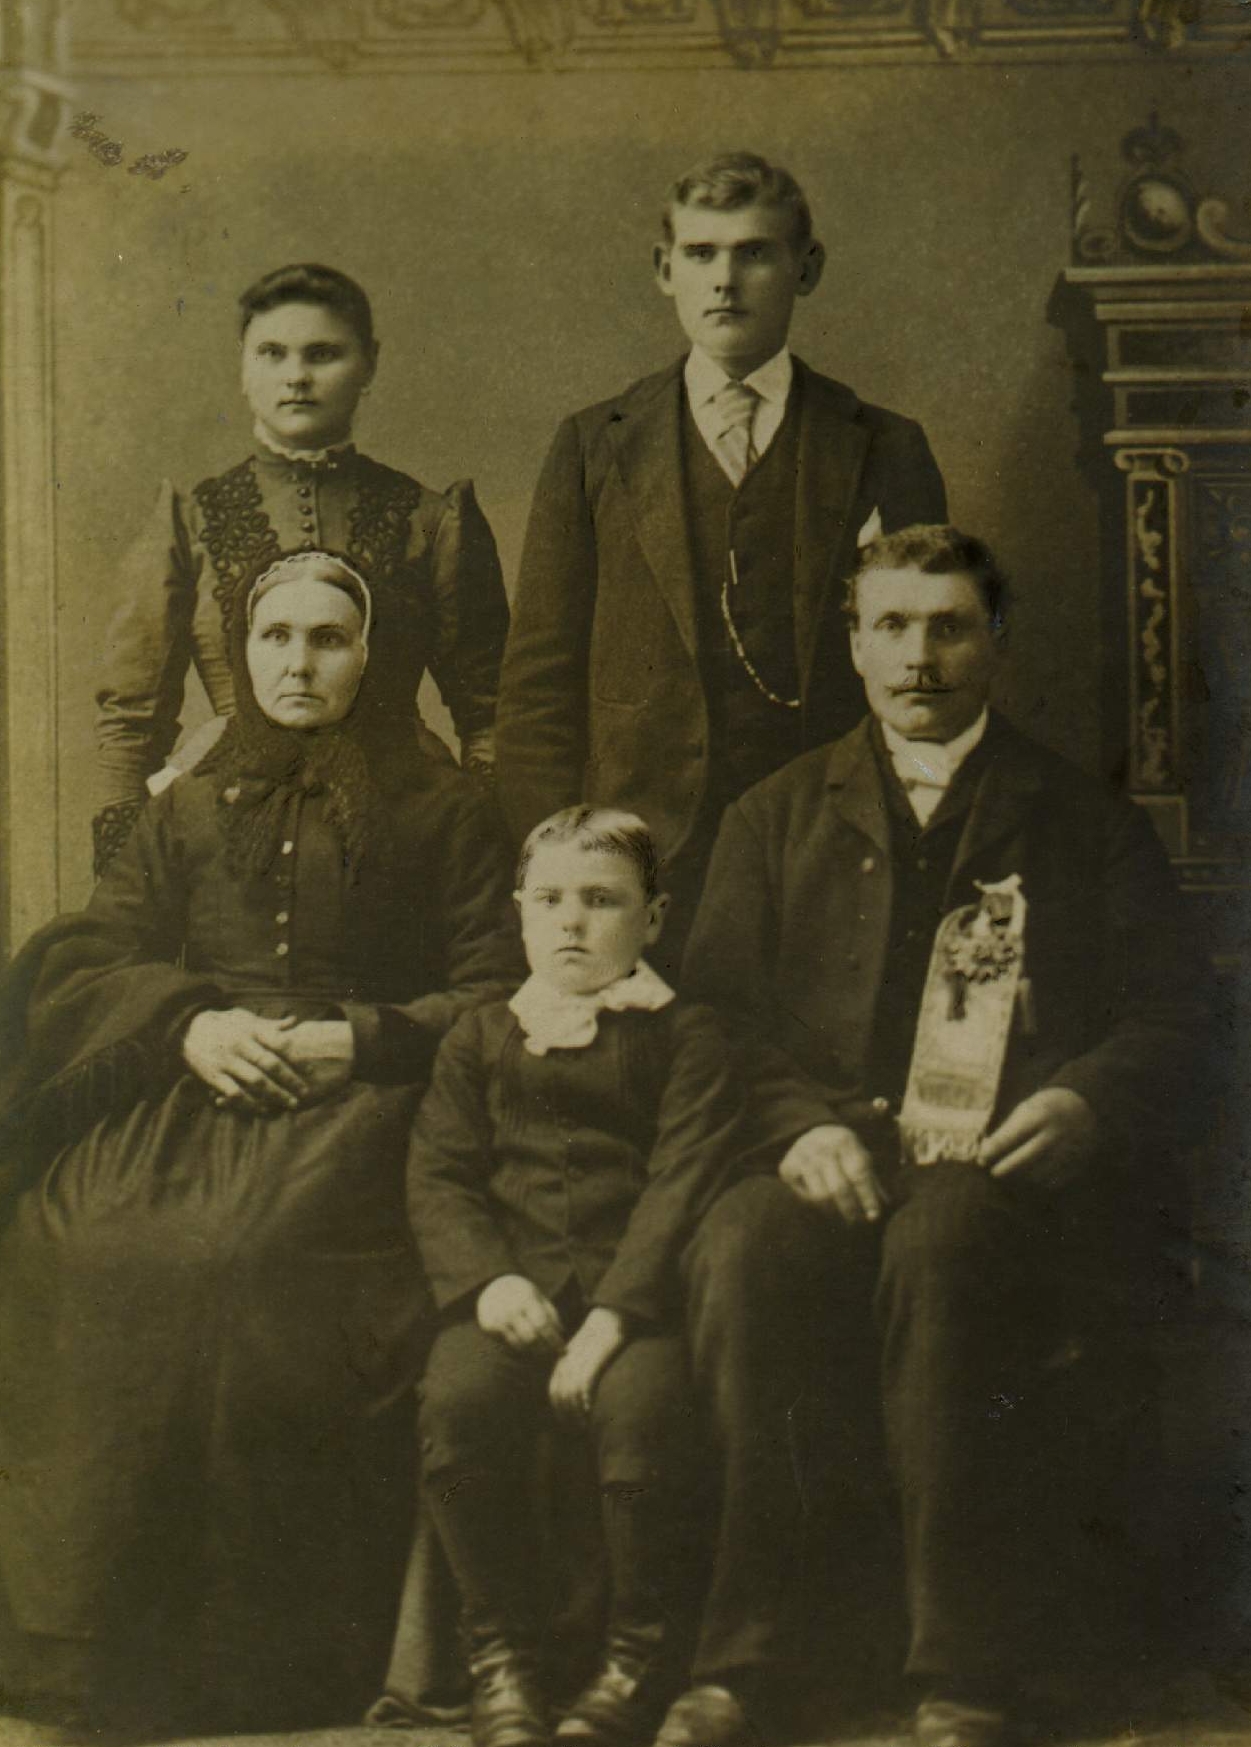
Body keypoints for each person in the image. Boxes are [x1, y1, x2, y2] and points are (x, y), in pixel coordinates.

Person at [668, 525, 1213, 1747]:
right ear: (856, 646)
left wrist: (1084, 1098)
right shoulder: (773, 815)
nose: (922, 656)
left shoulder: (1080, 819)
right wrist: (796, 1124)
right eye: (895, 628)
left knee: (947, 1248)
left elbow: (1178, 1013)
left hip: (1004, 1177)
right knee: (744, 1247)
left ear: (996, 644)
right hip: (827, 1152)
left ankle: (957, 1672)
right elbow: (711, 1017)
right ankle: (744, 1661)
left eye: (951, 626)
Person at [0, 551, 522, 1734]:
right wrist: (189, 1024)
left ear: (371, 654)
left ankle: (262, 1662)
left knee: (253, 1269)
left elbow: (496, 989)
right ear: (241, 655)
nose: (300, 662)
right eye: (276, 637)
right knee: (84, 1245)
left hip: (367, 1102)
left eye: (329, 639)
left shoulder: (442, 808)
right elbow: (100, 954)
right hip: (199, 1075)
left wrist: (369, 1037)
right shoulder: (184, 804)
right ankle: (90, 1649)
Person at [494, 152, 947, 975]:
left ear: (805, 268)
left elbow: (922, 669)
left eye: (754, 252)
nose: (725, 281)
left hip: (828, 846)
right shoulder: (595, 444)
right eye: (700, 255)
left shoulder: (884, 446)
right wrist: (559, 865)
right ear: (664, 270)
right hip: (638, 858)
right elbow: (537, 681)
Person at [407, 806, 745, 1747]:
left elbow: (683, 1181)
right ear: (516, 911)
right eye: (548, 899)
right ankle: (500, 1656)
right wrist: (484, 1283)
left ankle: (635, 1657)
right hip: (511, 1294)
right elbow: (438, 1173)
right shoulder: (479, 1036)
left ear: (654, 919)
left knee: (639, 1419)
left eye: (602, 901)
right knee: (457, 1402)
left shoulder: (688, 1037)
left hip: (636, 1309)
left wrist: (611, 1322)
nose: (571, 922)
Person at [92, 261, 509, 877]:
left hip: (404, 824)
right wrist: (124, 864)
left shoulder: (432, 519)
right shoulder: (191, 518)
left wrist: (481, 839)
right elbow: (129, 719)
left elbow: (491, 713)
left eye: (322, 353)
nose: (296, 377)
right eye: (271, 353)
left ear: (368, 363)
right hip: (226, 824)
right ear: (242, 366)